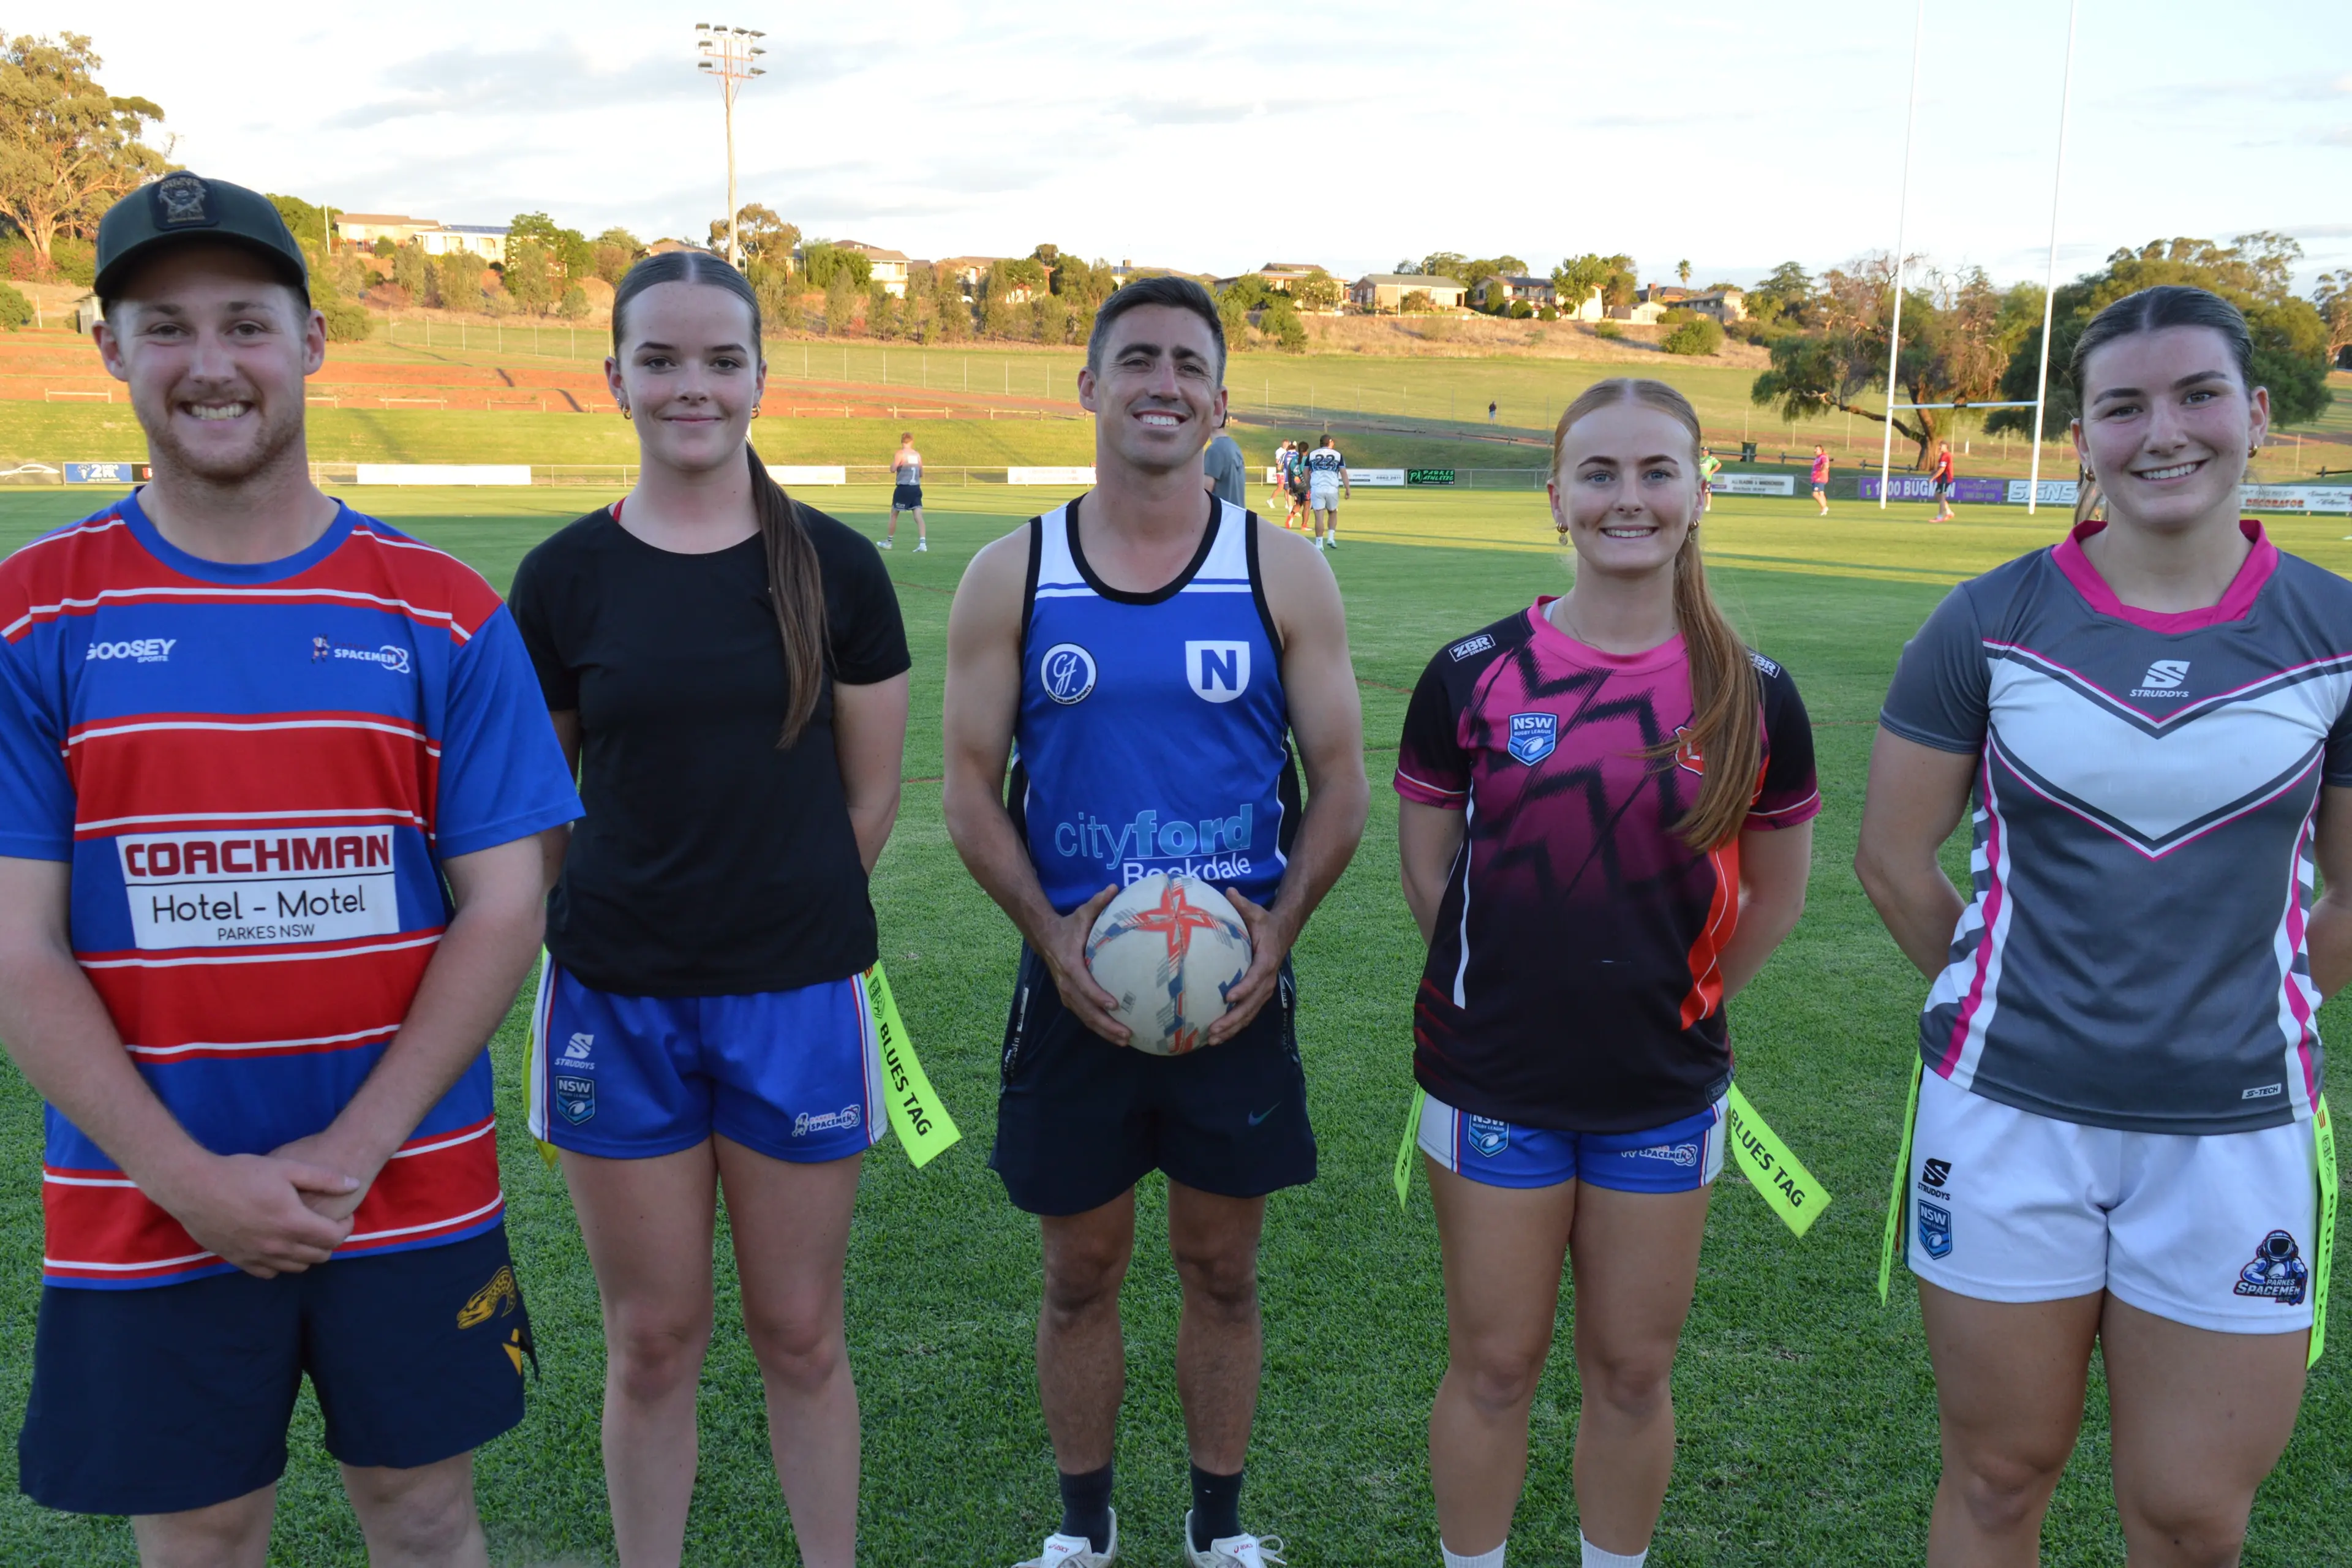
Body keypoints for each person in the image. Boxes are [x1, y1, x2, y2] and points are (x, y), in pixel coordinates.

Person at [0, 174, 581, 1566]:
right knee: (201, 1526)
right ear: (111, 348)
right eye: (167, 325)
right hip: (144, 1189)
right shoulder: (36, 614)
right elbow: (17, 945)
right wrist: (187, 1173)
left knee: (427, 1509)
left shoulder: (441, 609)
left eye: (247, 323)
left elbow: (506, 903)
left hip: (408, 1174)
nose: (211, 362)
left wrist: (351, 1147)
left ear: (310, 341)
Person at [1853, 285, 2346, 1567]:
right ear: (2083, 435)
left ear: (2259, 414)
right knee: (2001, 1475)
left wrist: (2249, 1012)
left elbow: (2350, 899)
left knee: (2191, 1515)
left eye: (2196, 395)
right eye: (2123, 406)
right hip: (2009, 1113)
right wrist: (2020, 1005)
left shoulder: (2333, 633)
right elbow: (1895, 863)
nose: (2162, 432)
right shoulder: (1988, 620)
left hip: (2236, 1129)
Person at [941, 275, 1368, 1568]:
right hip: (1076, 984)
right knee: (1079, 1270)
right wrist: (1049, 935)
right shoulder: (1012, 572)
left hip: (1232, 985)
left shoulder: (1278, 566)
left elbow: (1343, 777)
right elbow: (965, 785)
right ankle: (1083, 1528)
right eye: (1136, 359)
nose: (1162, 382)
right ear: (1089, 386)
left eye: (1189, 363)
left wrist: (1279, 932)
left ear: (1221, 400)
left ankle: (1219, 1526)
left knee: (1221, 1265)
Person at [507, 252, 912, 1568]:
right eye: (663, 359)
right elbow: (541, 802)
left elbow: (867, 799)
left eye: (721, 359)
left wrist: (768, 915)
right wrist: (632, 912)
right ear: (613, 375)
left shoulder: (838, 570)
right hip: (614, 1002)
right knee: (654, 1336)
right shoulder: (565, 577)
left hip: (795, 996)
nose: (693, 385)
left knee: (800, 1329)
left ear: (758, 378)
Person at [1398, 378, 1819, 1568]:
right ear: (1556, 499)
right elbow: (1433, 876)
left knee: (1633, 1369)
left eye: (1655, 472)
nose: (1626, 497)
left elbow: (1776, 896)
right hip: (1492, 1080)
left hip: (1660, 1084)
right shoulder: (1470, 673)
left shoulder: (1754, 690)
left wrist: (1671, 994)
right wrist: (1518, 984)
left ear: (1697, 494)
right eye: (1598, 473)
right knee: (1493, 1363)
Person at [1305, 433, 1349, 551]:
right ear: (1330, 442)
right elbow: (1343, 472)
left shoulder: (1312, 455)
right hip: (1332, 488)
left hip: (1317, 488)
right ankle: (1331, 538)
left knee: (1319, 516)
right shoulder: (1338, 455)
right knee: (1333, 512)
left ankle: (1319, 544)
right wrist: (1347, 489)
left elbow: (1306, 472)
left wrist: (1309, 485)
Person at [885, 431, 927, 552]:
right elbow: (921, 473)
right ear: (912, 442)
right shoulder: (917, 455)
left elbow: (893, 469)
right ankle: (923, 544)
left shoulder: (900, 454)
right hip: (916, 488)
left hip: (904, 488)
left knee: (894, 514)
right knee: (918, 516)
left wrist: (896, 466)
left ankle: (889, 542)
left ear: (902, 441)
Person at [1204, 407, 1246, 509]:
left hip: (1224, 519)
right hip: (1237, 518)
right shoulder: (1234, 446)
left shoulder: (1215, 450)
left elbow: (1204, 495)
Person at [1283, 439, 1310, 530]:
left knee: (1299, 503)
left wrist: (1291, 487)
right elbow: (1307, 474)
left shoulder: (1294, 460)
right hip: (1304, 485)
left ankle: (1291, 515)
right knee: (1307, 504)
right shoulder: (1307, 460)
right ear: (1307, 450)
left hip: (1295, 484)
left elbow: (1289, 473)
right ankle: (1304, 525)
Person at [1930, 440, 1956, 522]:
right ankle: (1949, 512)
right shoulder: (1943, 456)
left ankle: (1940, 517)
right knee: (1937, 495)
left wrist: (1933, 478)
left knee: (1941, 497)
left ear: (1945, 446)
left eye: (1941, 446)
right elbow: (1941, 468)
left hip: (1945, 479)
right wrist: (1935, 472)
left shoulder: (1946, 456)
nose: (1939, 447)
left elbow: (1942, 469)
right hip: (1941, 479)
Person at [1697, 445, 1723, 512]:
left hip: (1707, 478)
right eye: (1703, 451)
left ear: (1708, 452)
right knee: (1698, 492)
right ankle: (1698, 505)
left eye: (1706, 451)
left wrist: (1712, 471)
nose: (1704, 452)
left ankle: (1708, 505)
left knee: (1708, 492)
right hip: (1699, 478)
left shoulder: (1711, 459)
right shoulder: (1699, 459)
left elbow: (1719, 464)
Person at [1809, 444, 1830, 516]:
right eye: (1815, 449)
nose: (1815, 451)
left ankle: (1825, 508)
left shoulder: (1823, 456)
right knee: (1821, 493)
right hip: (1816, 478)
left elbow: (1826, 464)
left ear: (1821, 450)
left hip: (1819, 478)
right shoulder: (1818, 458)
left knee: (1815, 494)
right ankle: (1824, 510)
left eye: (1817, 449)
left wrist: (1822, 471)